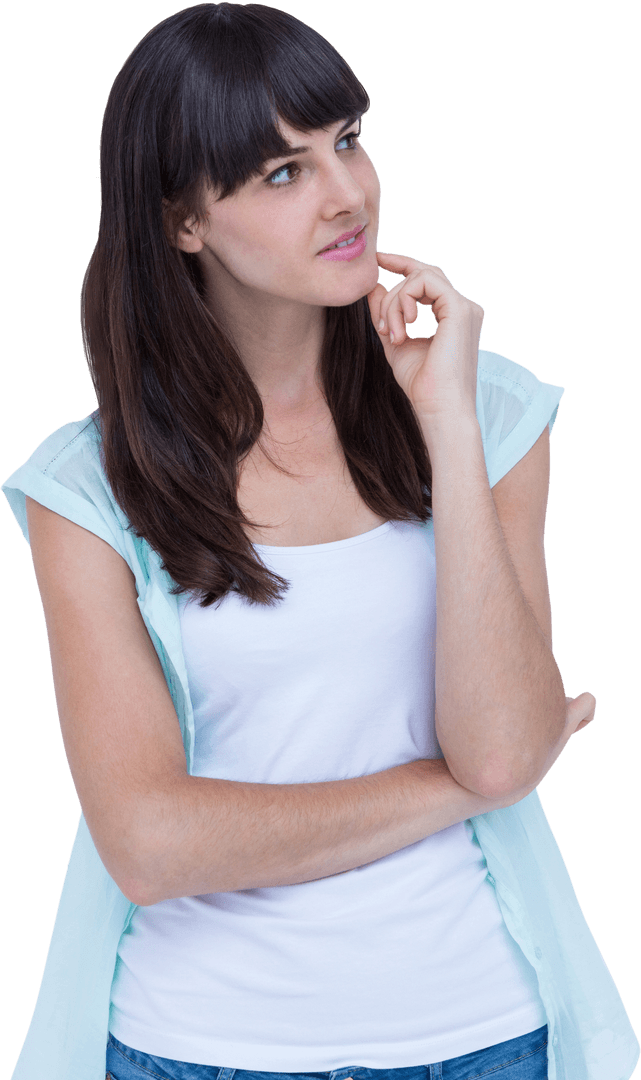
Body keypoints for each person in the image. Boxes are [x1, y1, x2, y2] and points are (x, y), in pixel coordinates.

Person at [2, 4, 639, 1080]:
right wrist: (460, 788)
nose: (347, 193)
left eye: (344, 139)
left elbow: (494, 742)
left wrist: (442, 423)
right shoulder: (86, 489)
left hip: (480, 1036)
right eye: (280, 173)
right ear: (183, 223)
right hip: (195, 1050)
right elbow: (151, 845)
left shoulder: (489, 414)